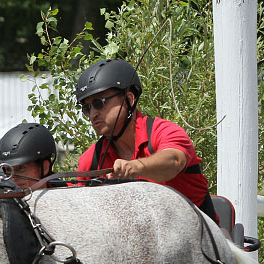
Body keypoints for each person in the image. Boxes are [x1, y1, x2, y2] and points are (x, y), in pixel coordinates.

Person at [75, 58, 217, 223]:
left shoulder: (163, 131)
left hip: (201, 238)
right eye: (87, 108)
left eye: (99, 103)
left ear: (129, 99)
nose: (93, 114)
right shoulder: (90, 161)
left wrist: (136, 167)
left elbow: (175, 160)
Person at [0, 122, 57, 189]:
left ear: (45, 168)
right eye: (9, 170)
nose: (13, 179)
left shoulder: (67, 194)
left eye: (21, 168)